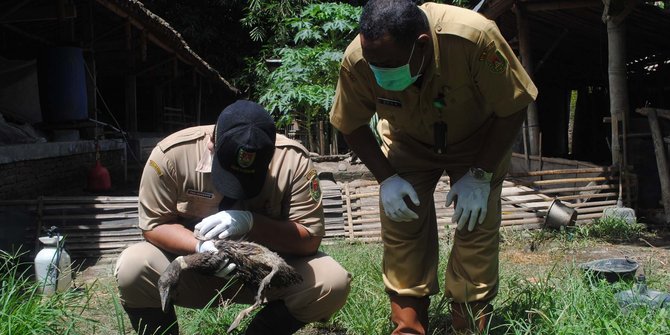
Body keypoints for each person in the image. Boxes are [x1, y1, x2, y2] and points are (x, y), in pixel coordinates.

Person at [330, 1, 538, 334]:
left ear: (422, 45)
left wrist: (481, 174)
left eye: (387, 65)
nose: (378, 72)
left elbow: (514, 104)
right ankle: (408, 327)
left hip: (477, 143)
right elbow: (349, 122)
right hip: (407, 143)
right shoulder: (359, 58)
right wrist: (387, 180)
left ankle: (469, 326)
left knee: (476, 228)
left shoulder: (474, 37)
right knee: (403, 229)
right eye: (373, 64)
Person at [115, 100, 352, 335]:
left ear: (271, 157)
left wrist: (252, 223)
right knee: (132, 267)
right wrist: (200, 247)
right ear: (211, 143)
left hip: (265, 274)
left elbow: (309, 239)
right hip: (193, 272)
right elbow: (154, 225)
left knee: (332, 281)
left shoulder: (293, 160)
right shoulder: (171, 156)